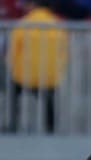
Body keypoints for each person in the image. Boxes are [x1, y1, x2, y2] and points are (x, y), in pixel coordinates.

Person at [6, 0, 67, 133]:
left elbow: (13, 51)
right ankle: (50, 127)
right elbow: (63, 49)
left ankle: (13, 124)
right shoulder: (57, 24)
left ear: (33, 5)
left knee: (14, 92)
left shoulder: (24, 23)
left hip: (25, 74)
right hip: (50, 75)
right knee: (48, 99)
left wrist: (11, 65)